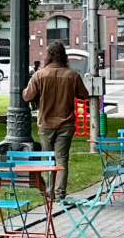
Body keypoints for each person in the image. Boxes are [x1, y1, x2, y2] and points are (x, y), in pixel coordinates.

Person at [22, 42, 87, 196]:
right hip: (67, 123)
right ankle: (59, 193)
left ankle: (50, 191)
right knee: (62, 158)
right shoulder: (72, 75)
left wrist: (26, 88)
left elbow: (28, 96)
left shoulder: (40, 75)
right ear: (64, 56)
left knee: (49, 157)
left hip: (46, 123)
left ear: (49, 56)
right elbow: (84, 94)